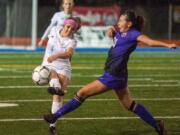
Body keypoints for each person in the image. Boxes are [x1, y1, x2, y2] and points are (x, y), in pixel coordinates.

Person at [43, 11, 177, 135]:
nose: (118, 22)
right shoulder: (121, 29)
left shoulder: (134, 34)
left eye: (121, 20)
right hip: (120, 74)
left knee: (81, 93)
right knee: (129, 104)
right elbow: (112, 29)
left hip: (113, 75)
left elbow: (150, 42)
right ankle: (157, 125)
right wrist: (111, 30)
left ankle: (54, 116)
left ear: (129, 24)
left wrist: (167, 45)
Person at [42, 17, 80, 135]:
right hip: (48, 64)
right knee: (55, 81)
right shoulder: (54, 30)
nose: (69, 30)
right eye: (68, 27)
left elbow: (69, 53)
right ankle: (57, 87)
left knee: (58, 97)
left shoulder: (72, 41)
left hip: (64, 67)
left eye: (72, 29)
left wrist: (57, 55)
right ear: (64, 25)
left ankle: (52, 126)